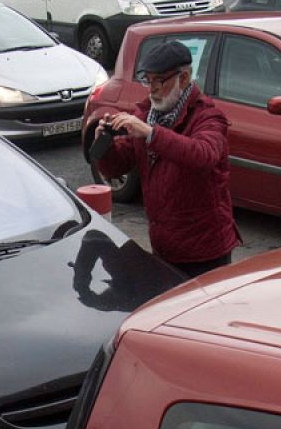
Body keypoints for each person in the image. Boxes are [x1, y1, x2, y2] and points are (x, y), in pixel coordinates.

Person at [93, 40, 239, 278]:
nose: (152, 90)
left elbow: (203, 155)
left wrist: (151, 134)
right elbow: (116, 167)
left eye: (159, 81)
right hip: (165, 247)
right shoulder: (146, 114)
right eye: (148, 81)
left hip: (205, 253)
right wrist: (105, 146)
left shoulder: (209, 117)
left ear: (184, 78)